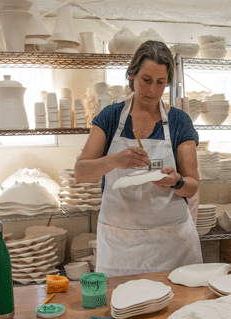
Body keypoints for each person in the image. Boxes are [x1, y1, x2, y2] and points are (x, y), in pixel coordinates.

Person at [74, 40, 202, 277]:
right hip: (120, 245)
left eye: (160, 82)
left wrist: (176, 182)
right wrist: (114, 161)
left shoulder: (179, 122)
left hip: (171, 244)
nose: (152, 90)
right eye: (146, 80)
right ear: (132, 76)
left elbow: (192, 185)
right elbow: (81, 172)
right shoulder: (110, 117)